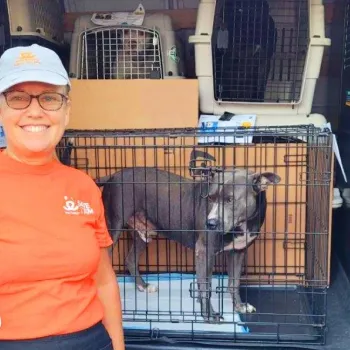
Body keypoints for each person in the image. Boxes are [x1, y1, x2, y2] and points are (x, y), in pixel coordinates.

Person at [0, 44, 125, 350]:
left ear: (66, 111)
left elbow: (104, 281)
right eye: (17, 98)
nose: (34, 111)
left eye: (50, 98)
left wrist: (118, 346)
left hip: (92, 340)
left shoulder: (83, 187)